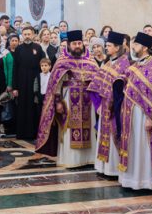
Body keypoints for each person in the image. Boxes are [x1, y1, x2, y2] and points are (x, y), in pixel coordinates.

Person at [34, 31, 100, 167]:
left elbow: (98, 80)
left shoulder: (90, 60)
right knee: (70, 130)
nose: (77, 46)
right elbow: (55, 84)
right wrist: (57, 102)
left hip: (88, 101)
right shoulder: (62, 61)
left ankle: (88, 159)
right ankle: (72, 160)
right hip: (69, 100)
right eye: (74, 44)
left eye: (79, 43)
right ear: (69, 45)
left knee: (89, 129)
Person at [118, 32, 152, 191]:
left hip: (143, 115)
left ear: (145, 47)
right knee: (133, 145)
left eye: (136, 45)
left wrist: (150, 117)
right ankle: (131, 178)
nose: (133, 47)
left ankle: (143, 180)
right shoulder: (138, 64)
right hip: (131, 114)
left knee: (142, 146)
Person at [88, 32, 130, 178]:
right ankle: (103, 167)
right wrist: (99, 103)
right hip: (105, 105)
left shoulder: (124, 63)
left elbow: (120, 87)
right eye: (106, 46)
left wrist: (111, 103)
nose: (106, 48)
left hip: (116, 107)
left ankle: (113, 170)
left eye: (109, 46)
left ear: (117, 47)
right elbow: (98, 83)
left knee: (113, 136)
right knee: (103, 135)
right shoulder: (108, 62)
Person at [12, 25, 45, 140]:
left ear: (33, 34)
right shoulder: (18, 48)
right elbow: (15, 68)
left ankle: (33, 133)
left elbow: (43, 66)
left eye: (28, 34)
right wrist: (15, 87)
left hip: (34, 81)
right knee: (21, 107)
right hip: (21, 81)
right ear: (22, 35)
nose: (27, 36)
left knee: (34, 107)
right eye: (25, 34)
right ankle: (21, 133)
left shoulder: (38, 48)